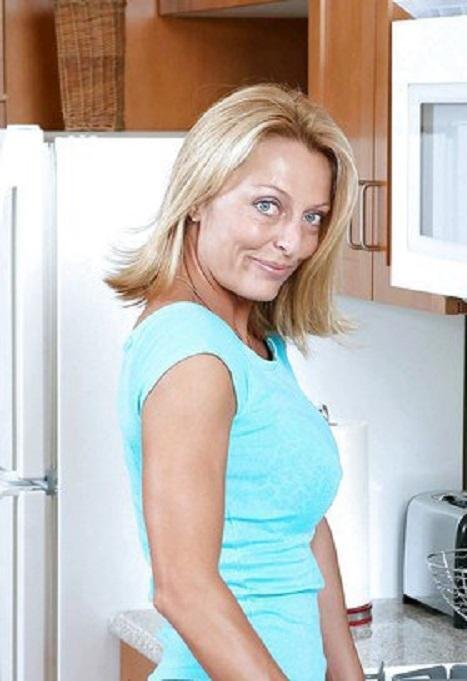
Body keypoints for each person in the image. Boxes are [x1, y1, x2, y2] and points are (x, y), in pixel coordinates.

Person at [104, 82, 364, 681]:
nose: (294, 242)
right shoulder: (194, 354)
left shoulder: (252, 342)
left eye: (313, 217)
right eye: (267, 205)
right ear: (199, 197)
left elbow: (302, 525)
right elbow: (184, 589)